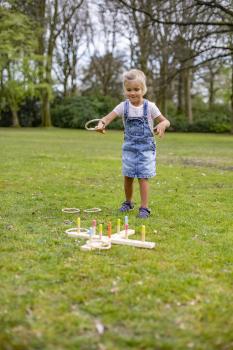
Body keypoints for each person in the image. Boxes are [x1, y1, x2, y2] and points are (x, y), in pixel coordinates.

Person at [95, 69, 170, 218]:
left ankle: (144, 208)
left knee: (143, 176)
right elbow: (106, 118)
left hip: (146, 149)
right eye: (129, 90)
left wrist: (162, 125)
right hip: (129, 148)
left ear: (143, 89)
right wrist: (101, 124)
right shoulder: (123, 106)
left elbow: (166, 121)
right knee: (128, 176)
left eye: (137, 89)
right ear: (125, 90)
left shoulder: (150, 107)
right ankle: (128, 202)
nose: (133, 93)